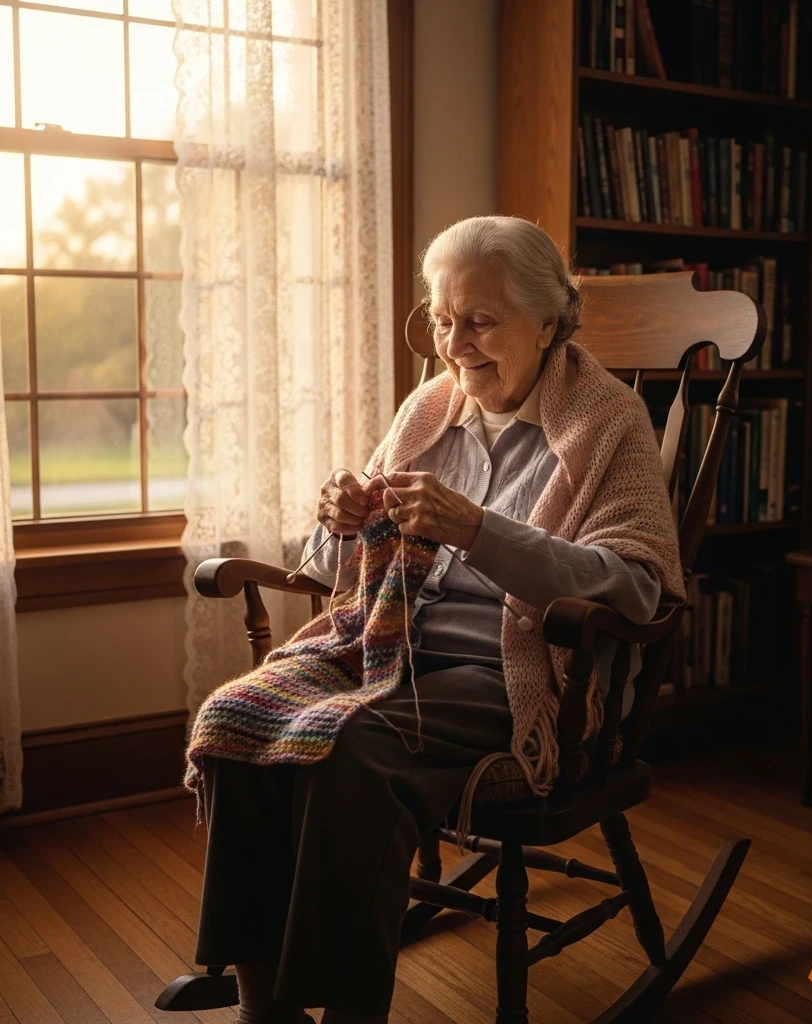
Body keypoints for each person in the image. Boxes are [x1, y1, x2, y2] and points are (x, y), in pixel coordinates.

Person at [191, 216, 685, 1024]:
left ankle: (349, 1010)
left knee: (349, 748)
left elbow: (632, 588)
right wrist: (339, 520)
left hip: (518, 671)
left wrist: (477, 530)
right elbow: (332, 570)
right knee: (238, 717)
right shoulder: (431, 410)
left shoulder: (607, 421)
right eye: (444, 319)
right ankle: (263, 1005)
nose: (455, 344)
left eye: (481, 322)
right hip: (388, 644)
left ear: (549, 320)